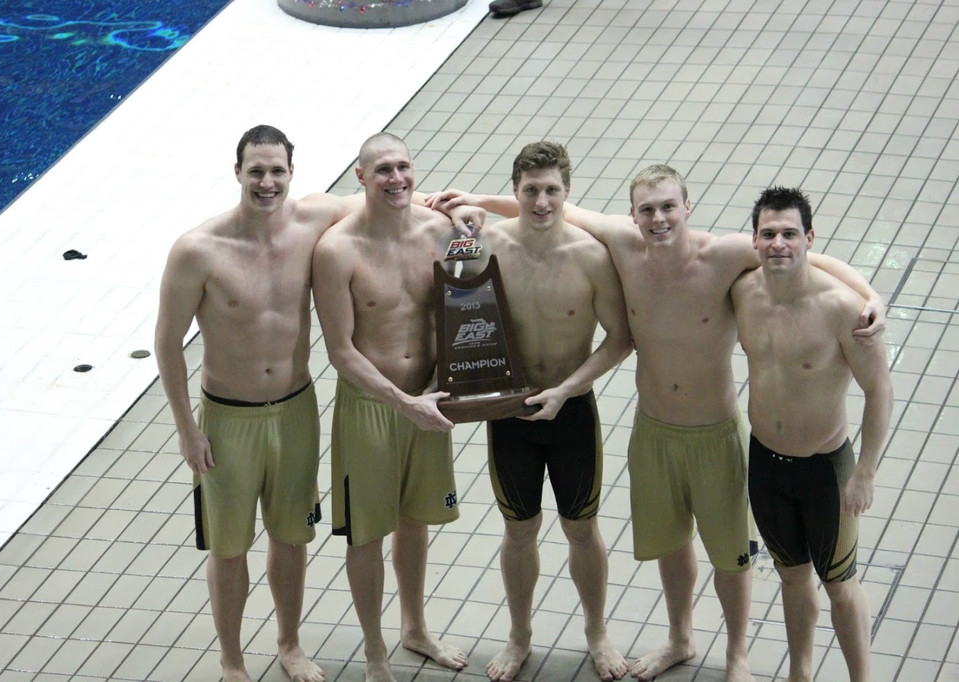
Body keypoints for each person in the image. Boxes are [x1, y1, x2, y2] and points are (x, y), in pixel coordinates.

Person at [426, 164, 885, 681]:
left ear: (687, 207)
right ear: (633, 215)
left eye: (668, 207)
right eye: (648, 210)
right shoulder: (624, 246)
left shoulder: (726, 255)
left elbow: (807, 255)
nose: (659, 218)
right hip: (654, 431)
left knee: (730, 556)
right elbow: (552, 208)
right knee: (672, 544)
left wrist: (871, 295)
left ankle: (736, 655)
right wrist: (475, 199)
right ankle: (680, 638)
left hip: (716, 431)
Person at [154, 125, 481, 682]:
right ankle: (232, 662)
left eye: (276, 171)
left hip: (296, 410)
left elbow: (391, 193)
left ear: (292, 173)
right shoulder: (198, 250)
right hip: (227, 417)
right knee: (229, 548)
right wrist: (187, 428)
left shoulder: (312, 221)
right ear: (237, 173)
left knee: (291, 537)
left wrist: (458, 209)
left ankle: (290, 643)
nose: (267, 182)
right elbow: (166, 343)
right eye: (256, 171)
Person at [311, 132, 469, 682]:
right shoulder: (337, 250)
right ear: (361, 177)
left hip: (428, 396)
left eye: (402, 167)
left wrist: (447, 386)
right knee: (366, 532)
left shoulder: (441, 232)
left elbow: (469, 304)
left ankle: (416, 628)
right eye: (382, 170)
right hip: (372, 406)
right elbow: (340, 351)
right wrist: (403, 402)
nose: (395, 178)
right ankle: (375, 652)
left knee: (415, 520)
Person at [479, 141, 634, 682]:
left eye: (551, 190)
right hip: (510, 414)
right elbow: (458, 323)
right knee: (518, 529)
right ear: (514, 191)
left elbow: (620, 338)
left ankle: (597, 633)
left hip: (571, 412)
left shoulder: (591, 256)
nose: (541, 202)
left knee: (582, 529)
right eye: (531, 191)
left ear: (568, 191)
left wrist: (566, 390)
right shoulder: (488, 248)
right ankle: (519, 636)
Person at [732, 187, 892, 682]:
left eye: (790, 234)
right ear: (754, 241)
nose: (778, 244)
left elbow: (880, 390)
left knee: (840, 583)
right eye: (768, 234)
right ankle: (800, 675)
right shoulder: (742, 292)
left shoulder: (842, 307)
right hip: (766, 462)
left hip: (826, 469)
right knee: (792, 576)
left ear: (809, 239)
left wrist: (865, 472)